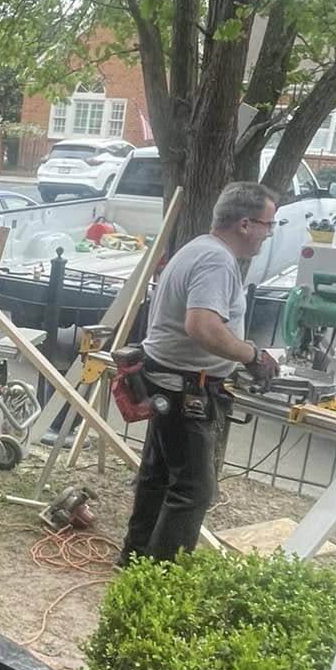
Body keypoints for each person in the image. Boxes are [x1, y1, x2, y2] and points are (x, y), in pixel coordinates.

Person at [120, 180, 280, 562]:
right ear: (245, 224)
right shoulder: (216, 260)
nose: (269, 234)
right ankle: (161, 581)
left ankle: (136, 562)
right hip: (185, 389)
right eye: (268, 225)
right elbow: (202, 327)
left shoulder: (198, 248)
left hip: (169, 382)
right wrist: (251, 356)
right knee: (193, 489)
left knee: (159, 476)